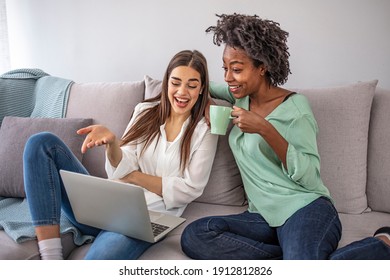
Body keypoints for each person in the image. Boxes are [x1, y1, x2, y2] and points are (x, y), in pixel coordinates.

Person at [180, 13, 390, 260]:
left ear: (262, 67)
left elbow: (311, 178)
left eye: (236, 69)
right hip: (261, 217)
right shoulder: (240, 96)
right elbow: (200, 84)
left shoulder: (296, 109)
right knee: (196, 234)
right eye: (225, 68)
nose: (228, 78)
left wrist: (265, 129)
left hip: (305, 209)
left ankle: (382, 244)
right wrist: (203, 101)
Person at [23, 49, 218, 260]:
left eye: (192, 85)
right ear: (166, 83)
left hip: (145, 218)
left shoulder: (205, 129)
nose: (182, 92)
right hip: (106, 204)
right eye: (176, 82)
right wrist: (113, 144)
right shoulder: (145, 111)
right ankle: (51, 259)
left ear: (201, 89)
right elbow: (121, 167)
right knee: (41, 143)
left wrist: (132, 176)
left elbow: (190, 188)